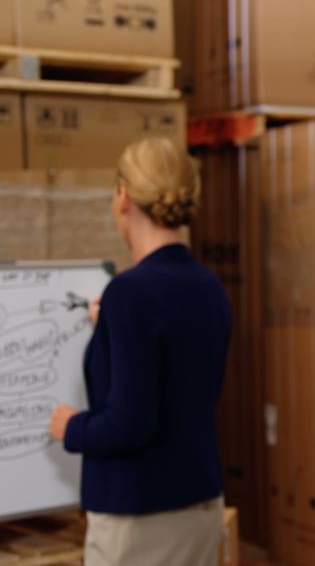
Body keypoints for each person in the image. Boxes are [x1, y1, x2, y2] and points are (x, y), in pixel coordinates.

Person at [48, 137, 231, 566]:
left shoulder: (130, 294)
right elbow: (179, 383)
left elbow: (130, 424)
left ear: (123, 197)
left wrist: (71, 428)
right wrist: (109, 328)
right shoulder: (208, 286)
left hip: (140, 520)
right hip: (200, 507)